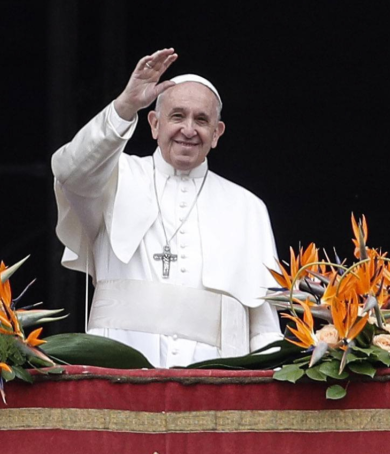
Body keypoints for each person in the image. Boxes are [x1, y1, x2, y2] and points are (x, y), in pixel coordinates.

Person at [51, 48, 282, 367]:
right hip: (118, 383)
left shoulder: (248, 207)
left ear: (216, 134)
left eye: (202, 120)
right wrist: (125, 106)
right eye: (177, 116)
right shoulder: (112, 179)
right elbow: (68, 171)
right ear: (154, 124)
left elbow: (265, 328)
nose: (189, 130)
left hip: (217, 395)